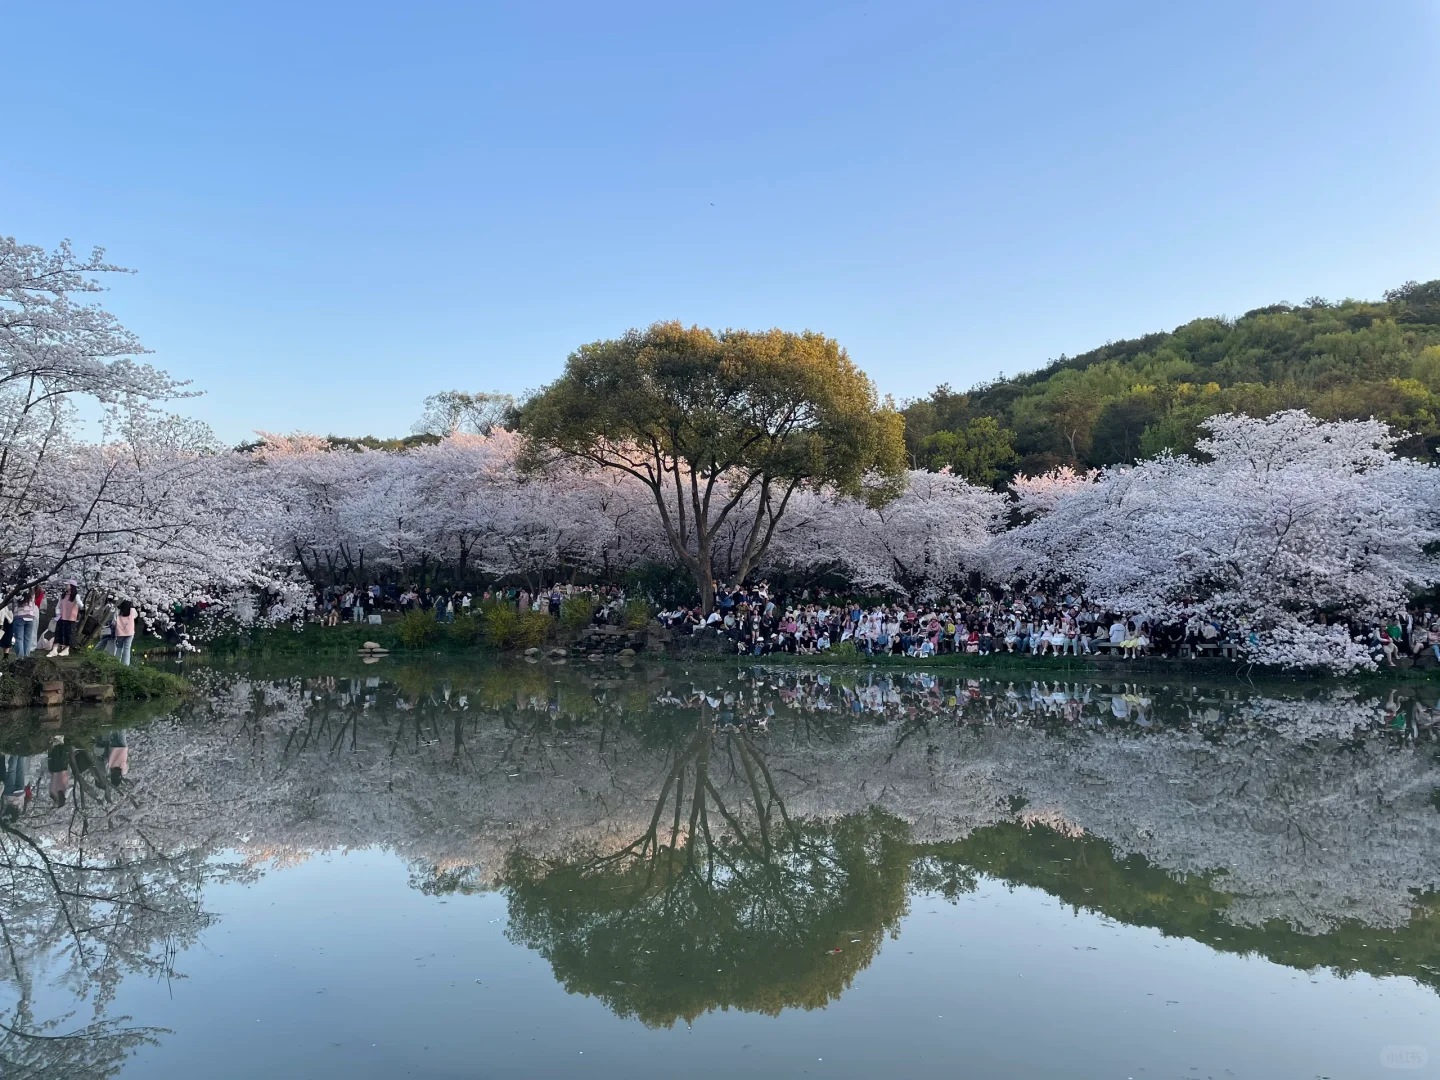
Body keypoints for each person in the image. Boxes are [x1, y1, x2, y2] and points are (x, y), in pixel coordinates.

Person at [48, 583, 82, 656]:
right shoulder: (63, 596)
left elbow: (80, 604)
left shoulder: (76, 596)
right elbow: (58, 606)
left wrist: (79, 604)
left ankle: (66, 650)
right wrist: (57, 613)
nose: (65, 586)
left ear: (72, 586)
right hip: (61, 617)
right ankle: (54, 650)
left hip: (71, 618)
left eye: (67, 585)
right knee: (58, 633)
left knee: (68, 634)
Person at [14, 588, 40, 658]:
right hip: (30, 617)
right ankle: (26, 656)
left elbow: (14, 601)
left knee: (19, 638)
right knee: (28, 638)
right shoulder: (32, 593)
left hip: (19, 616)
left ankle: (20, 657)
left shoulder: (17, 592)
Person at [112, 600, 137, 666]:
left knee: (119, 648)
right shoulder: (132, 610)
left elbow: (114, 622)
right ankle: (126, 664)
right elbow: (135, 616)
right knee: (127, 648)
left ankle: (117, 663)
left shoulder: (118, 611)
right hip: (130, 632)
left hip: (120, 632)